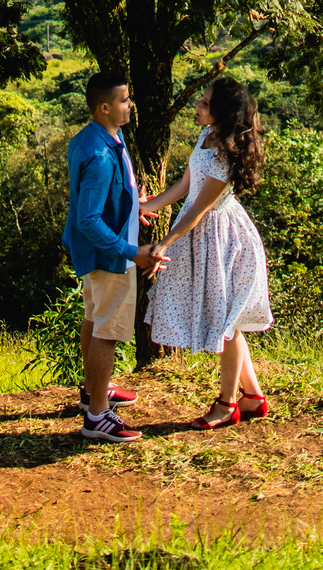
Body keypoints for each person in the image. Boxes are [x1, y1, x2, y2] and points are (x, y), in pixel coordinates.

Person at [141, 75, 273, 429]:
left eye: (205, 103)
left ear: (221, 112)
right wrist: (149, 205)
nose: (197, 106)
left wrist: (164, 243)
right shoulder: (205, 136)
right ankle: (252, 397)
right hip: (201, 234)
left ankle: (227, 404)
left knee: (226, 325)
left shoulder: (225, 153)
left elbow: (199, 209)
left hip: (223, 238)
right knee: (226, 322)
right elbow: (187, 185)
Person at [63, 70, 167, 444]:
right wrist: (131, 252)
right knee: (107, 331)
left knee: (94, 319)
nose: (130, 105)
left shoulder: (96, 136)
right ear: (104, 107)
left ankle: (95, 391)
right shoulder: (100, 155)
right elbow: (88, 218)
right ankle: (97, 415)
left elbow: (102, 196)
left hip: (96, 250)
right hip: (109, 255)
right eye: (124, 100)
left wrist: (130, 207)